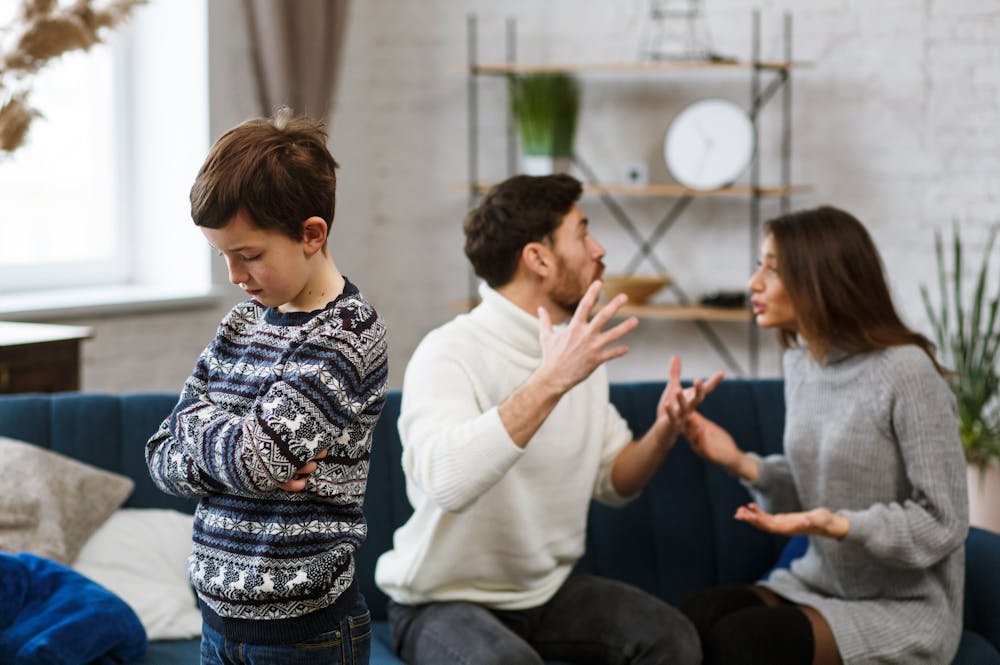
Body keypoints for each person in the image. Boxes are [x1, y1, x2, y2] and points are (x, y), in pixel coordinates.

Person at [374, 173, 720, 665]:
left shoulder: (576, 353)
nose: (599, 250)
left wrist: (665, 431)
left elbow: (615, 481)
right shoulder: (449, 352)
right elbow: (445, 482)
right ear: (537, 258)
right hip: (441, 601)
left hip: (547, 593)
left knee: (673, 638)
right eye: (582, 233)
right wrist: (550, 380)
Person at [145, 109, 388, 664]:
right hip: (217, 623)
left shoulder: (346, 336)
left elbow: (257, 461)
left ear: (311, 234)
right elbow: (160, 454)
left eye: (249, 255)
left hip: (306, 634)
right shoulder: (239, 325)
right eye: (223, 256)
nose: (234, 275)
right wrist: (234, 446)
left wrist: (202, 427)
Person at [679, 206, 969, 665]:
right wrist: (739, 462)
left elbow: (943, 522)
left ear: (821, 280)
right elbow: (811, 493)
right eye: (759, 264)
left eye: (773, 269)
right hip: (817, 583)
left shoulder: (906, 373)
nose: (754, 283)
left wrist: (841, 524)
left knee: (743, 642)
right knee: (691, 622)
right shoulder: (802, 364)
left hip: (903, 606)